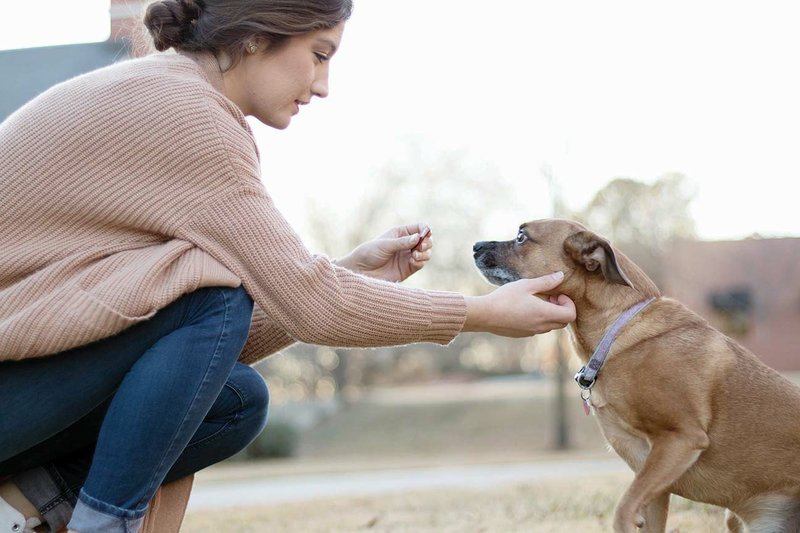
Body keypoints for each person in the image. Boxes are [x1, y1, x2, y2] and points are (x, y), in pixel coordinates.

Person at [0, 1, 576, 532]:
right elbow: (297, 304)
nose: (322, 86)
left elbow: (203, 348)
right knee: (214, 292)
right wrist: (479, 313)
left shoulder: (172, 92)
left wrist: (351, 273)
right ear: (255, 36)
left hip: (24, 385)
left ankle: (22, 506)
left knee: (235, 398)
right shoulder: (187, 115)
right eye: (319, 55)